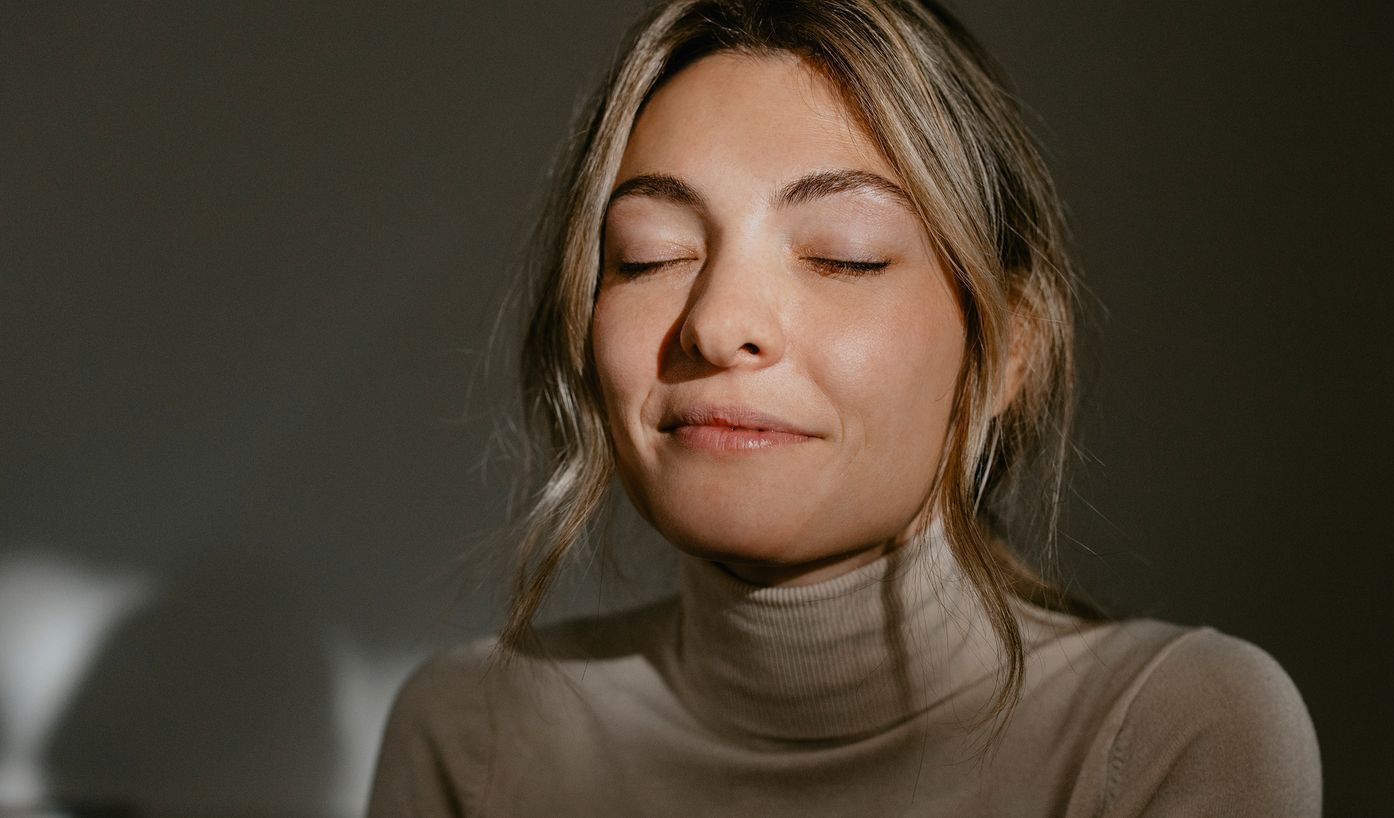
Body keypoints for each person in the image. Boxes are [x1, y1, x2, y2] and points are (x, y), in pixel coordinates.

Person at [369, 1, 1321, 815]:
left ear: (1008, 351)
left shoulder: (1172, 728)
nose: (719, 323)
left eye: (843, 252)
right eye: (650, 253)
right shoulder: (468, 738)